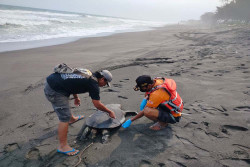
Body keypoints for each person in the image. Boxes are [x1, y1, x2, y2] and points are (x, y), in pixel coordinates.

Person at [44, 69, 116, 156]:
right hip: (55, 89)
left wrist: (76, 97)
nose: (104, 85)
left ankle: (71, 119)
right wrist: (109, 112)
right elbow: (97, 104)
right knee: (64, 118)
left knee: (65, 110)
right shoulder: (93, 84)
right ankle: (63, 146)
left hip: (55, 81)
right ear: (102, 79)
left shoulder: (88, 73)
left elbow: (73, 82)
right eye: (105, 83)